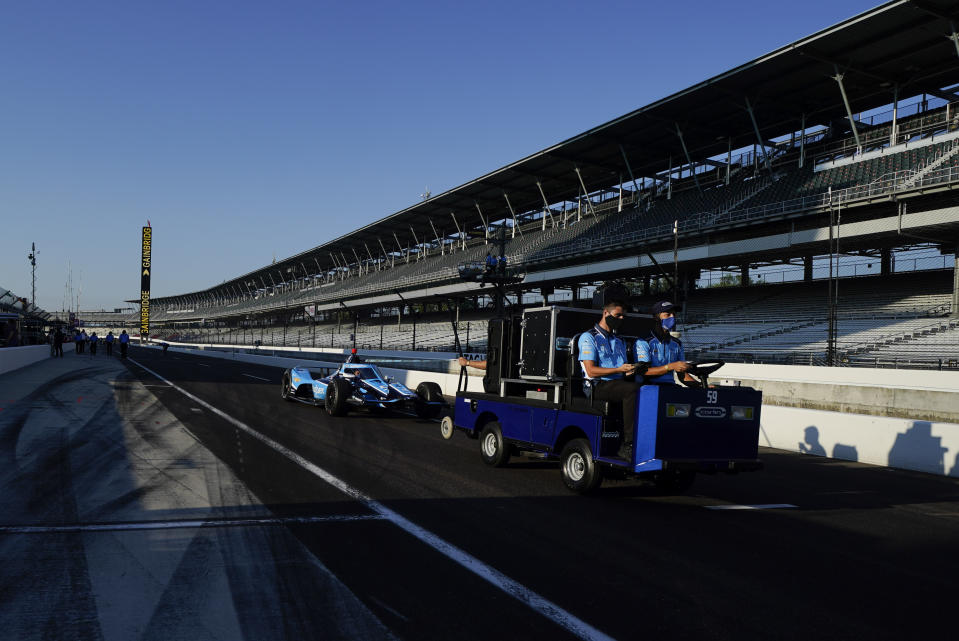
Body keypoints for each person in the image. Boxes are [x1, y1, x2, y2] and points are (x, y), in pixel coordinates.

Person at [577, 300, 644, 460]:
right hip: (596, 385)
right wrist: (619, 369)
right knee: (632, 390)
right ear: (605, 313)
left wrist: (633, 369)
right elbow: (591, 371)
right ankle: (628, 445)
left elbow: (621, 372)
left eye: (623, 316)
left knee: (646, 388)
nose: (621, 318)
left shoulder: (619, 340)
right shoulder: (588, 337)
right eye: (617, 315)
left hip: (616, 383)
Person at [635, 301, 692, 384]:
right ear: (656, 317)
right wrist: (669, 367)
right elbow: (643, 372)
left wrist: (702, 385)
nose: (672, 317)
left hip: (670, 386)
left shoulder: (677, 343)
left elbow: (682, 374)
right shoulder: (644, 341)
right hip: (649, 387)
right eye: (668, 314)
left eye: (674, 315)